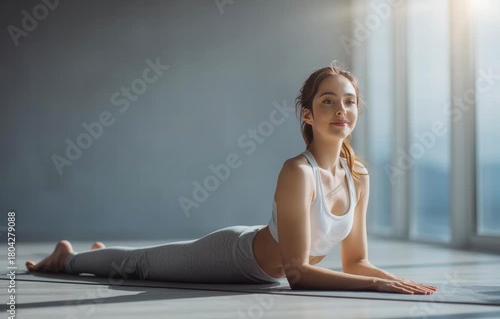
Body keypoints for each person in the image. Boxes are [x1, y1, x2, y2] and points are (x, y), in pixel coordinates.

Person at [26, 64, 438, 294]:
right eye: (327, 101)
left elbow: (356, 261)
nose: (340, 110)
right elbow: (294, 272)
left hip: (261, 263)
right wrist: (374, 287)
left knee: (139, 261)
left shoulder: (358, 175)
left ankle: (101, 252)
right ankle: (69, 258)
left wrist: (396, 280)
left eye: (349, 101)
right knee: (138, 265)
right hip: (236, 258)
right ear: (308, 116)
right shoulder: (298, 172)